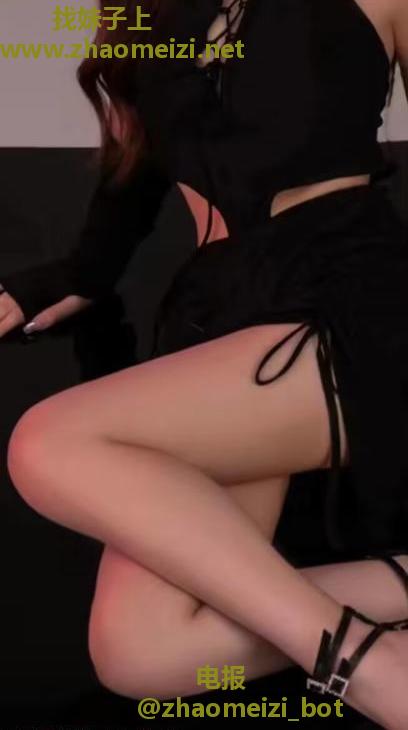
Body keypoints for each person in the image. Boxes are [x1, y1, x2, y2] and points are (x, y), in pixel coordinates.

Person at [3, 0, 408, 725]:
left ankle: (363, 663)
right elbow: (136, 166)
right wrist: (80, 275)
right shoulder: (146, 8)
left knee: (47, 441)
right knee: (138, 654)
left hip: (349, 304)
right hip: (213, 314)